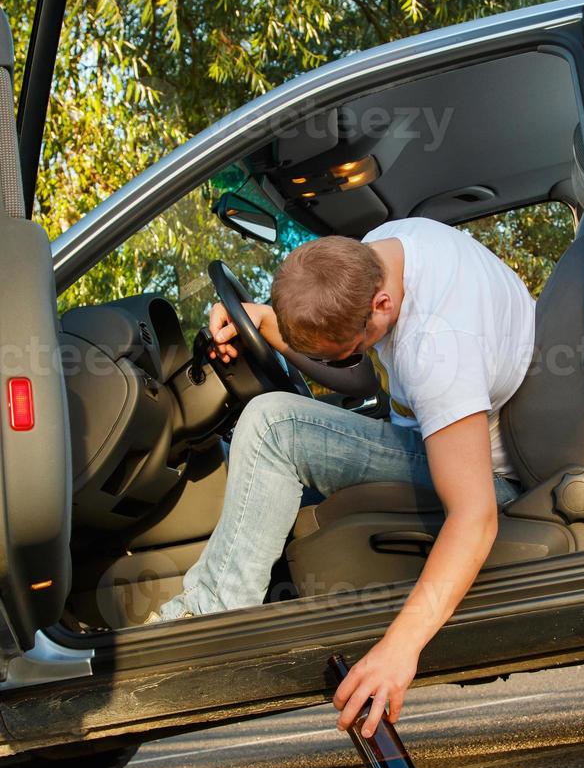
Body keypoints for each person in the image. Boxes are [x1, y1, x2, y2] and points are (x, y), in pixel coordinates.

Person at [154, 216, 536, 738]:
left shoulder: (439, 346)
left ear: (380, 306)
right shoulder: (387, 248)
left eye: (334, 351)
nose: (329, 362)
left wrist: (399, 649)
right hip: (430, 440)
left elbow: (475, 517)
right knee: (278, 423)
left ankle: (210, 627)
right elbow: (362, 368)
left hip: (487, 479)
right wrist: (264, 325)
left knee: (273, 426)